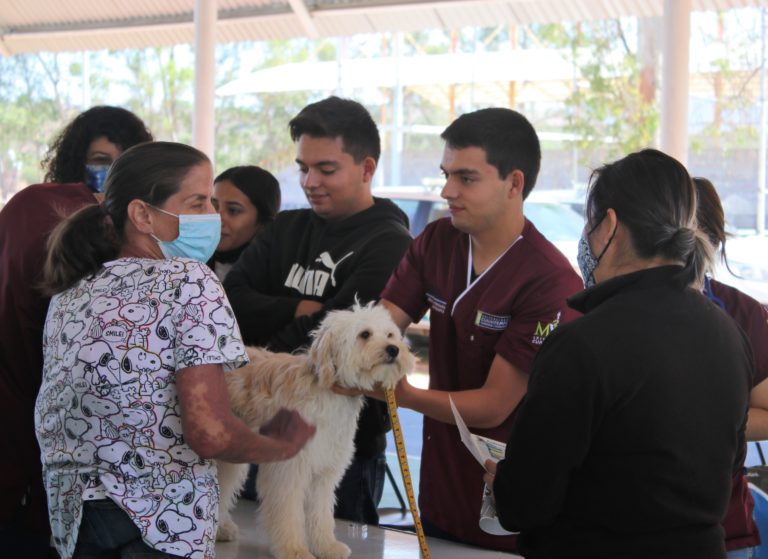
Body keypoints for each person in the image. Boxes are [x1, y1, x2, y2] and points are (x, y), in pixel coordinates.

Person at [35, 141, 315, 559]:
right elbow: (209, 432)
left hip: (74, 518)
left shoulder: (72, 290)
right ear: (143, 215)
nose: (212, 217)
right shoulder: (189, 281)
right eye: (198, 202)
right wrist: (279, 446)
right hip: (157, 520)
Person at [485, 149, 753, 559]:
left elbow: (526, 501)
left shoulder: (581, 344)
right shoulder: (728, 334)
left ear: (609, 225)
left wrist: (501, 485)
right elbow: (729, 462)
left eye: (589, 222)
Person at [376, 107, 584, 552]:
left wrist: (401, 395)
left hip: (509, 506)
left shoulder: (551, 281)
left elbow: (494, 405)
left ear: (514, 183)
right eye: (446, 175)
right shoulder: (436, 242)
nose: (447, 191)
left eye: (466, 178)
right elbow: (378, 327)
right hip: (439, 493)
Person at [224, 96, 411, 524]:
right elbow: (230, 299)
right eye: (303, 168)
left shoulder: (390, 243)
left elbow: (338, 340)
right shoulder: (286, 226)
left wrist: (264, 348)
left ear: (366, 168)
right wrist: (297, 308)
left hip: (338, 436)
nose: (310, 182)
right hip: (254, 418)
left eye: (326, 169)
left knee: (320, 542)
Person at [0, 105, 153, 559]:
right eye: (100, 161)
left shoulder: (27, 205)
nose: (108, 174)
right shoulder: (62, 216)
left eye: (121, 164)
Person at [694, 177, 768, 558]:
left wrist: (709, 424)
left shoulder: (743, 313)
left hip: (723, 525)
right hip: (632, 525)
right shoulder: (616, 313)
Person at [209, 165, 281, 281]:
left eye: (233, 210)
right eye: (213, 206)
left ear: (263, 223)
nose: (216, 219)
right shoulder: (191, 264)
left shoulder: (276, 278)